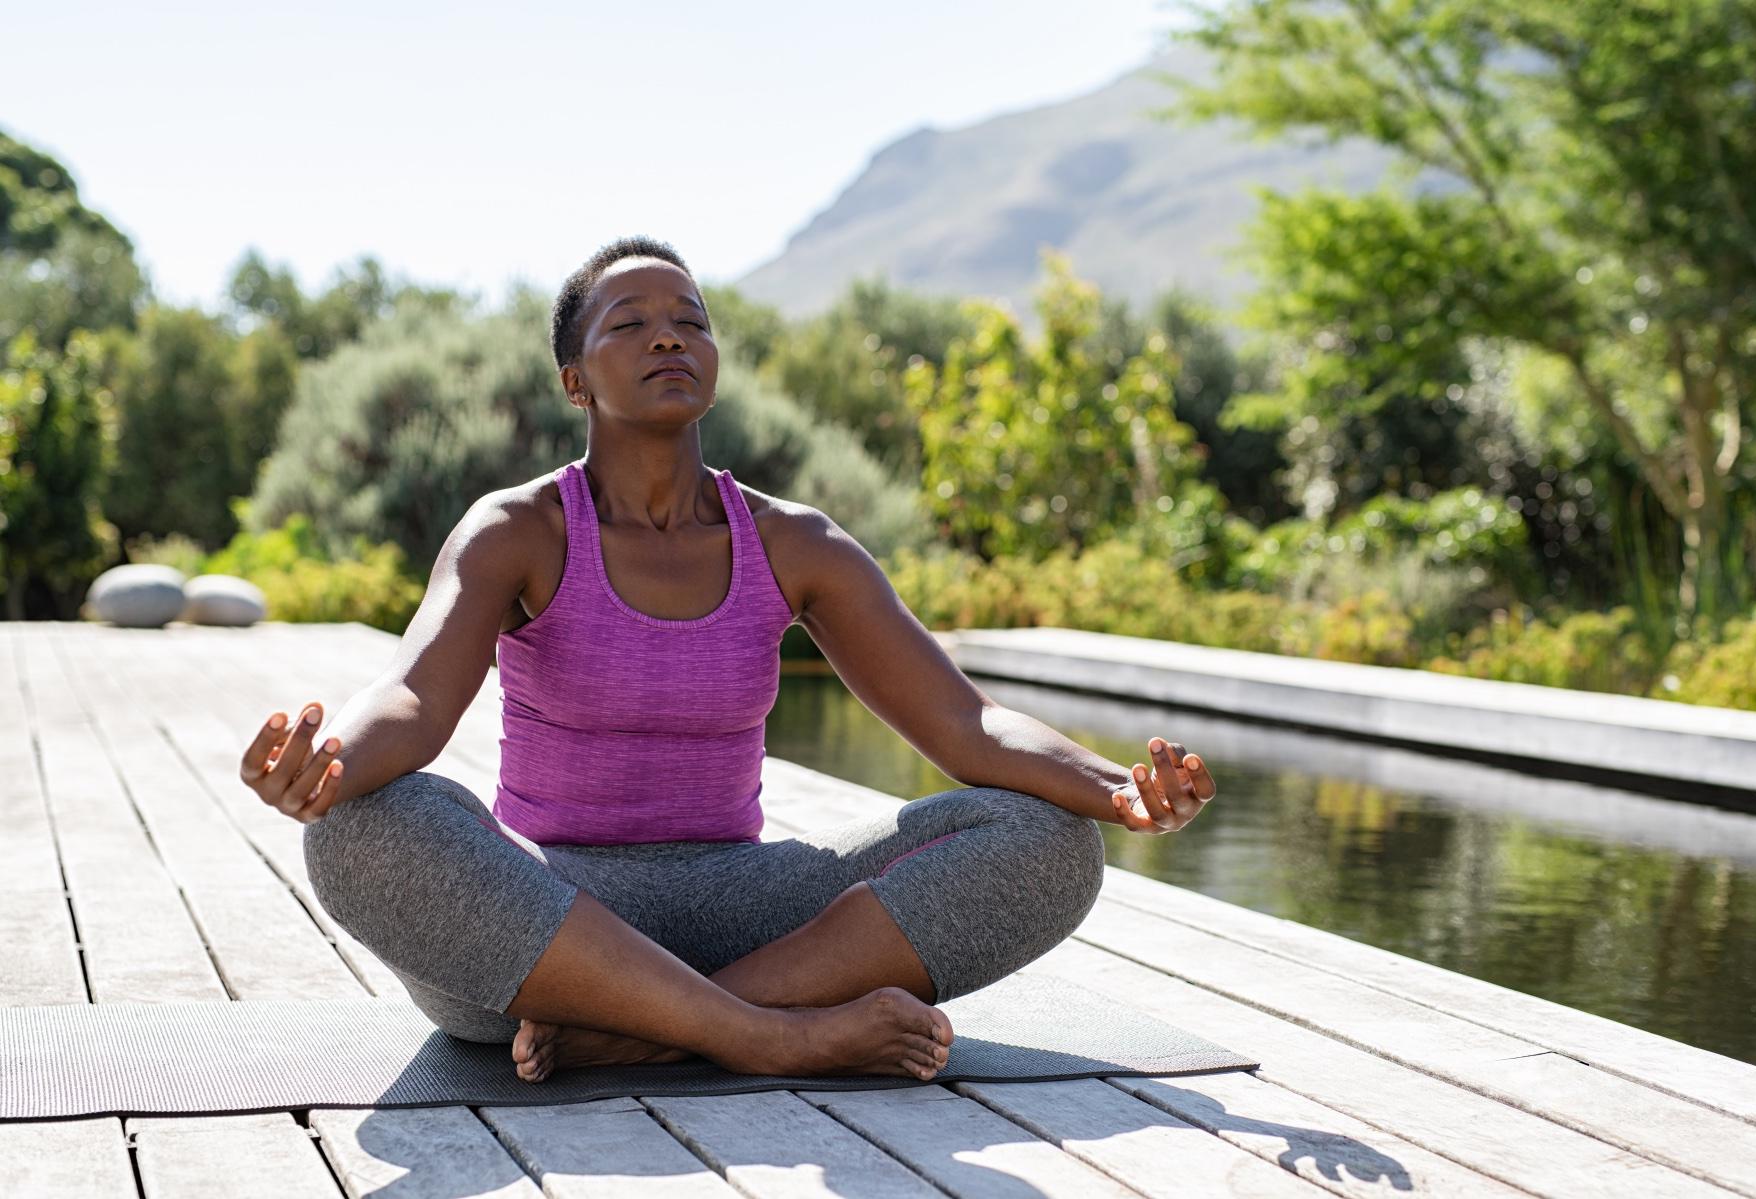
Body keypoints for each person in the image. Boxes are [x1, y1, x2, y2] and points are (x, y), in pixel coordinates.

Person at [238, 236, 1217, 1085]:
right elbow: (412, 694)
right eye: (628, 322)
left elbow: (964, 723)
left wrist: (1114, 786)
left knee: (1044, 840)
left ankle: (649, 1035)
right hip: (546, 928)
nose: (669, 335)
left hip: (750, 913)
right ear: (575, 379)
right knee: (361, 826)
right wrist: (329, 767)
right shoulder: (518, 529)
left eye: (691, 320)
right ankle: (762, 1037)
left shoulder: (797, 544)